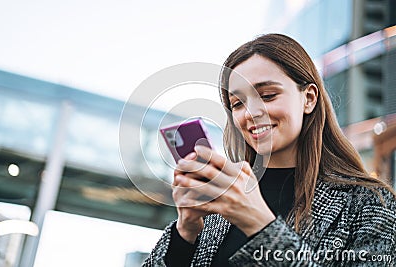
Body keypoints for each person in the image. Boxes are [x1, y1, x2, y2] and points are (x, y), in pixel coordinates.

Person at [142, 34, 396, 266]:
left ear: (308, 98)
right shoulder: (217, 206)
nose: (251, 113)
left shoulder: (369, 204)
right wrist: (184, 232)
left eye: (267, 95)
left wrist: (260, 225)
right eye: (238, 103)